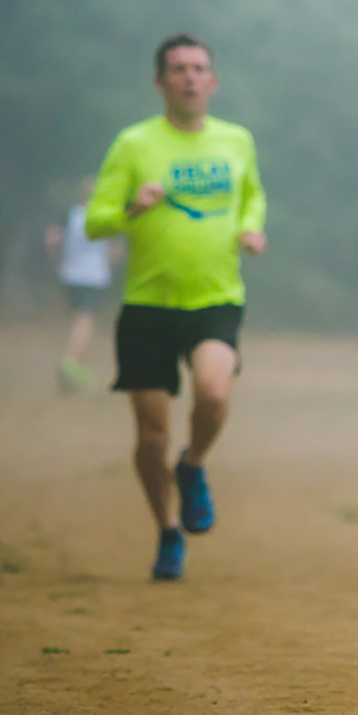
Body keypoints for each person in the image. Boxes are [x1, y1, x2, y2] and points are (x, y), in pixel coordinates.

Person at [84, 34, 267, 582]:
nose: (189, 77)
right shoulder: (134, 145)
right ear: (160, 82)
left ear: (213, 81)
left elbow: (253, 193)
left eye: (199, 68)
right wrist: (130, 208)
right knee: (150, 437)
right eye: (178, 69)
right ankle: (167, 532)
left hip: (215, 298)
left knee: (213, 392)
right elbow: (96, 220)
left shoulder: (236, 141)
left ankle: (192, 469)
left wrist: (251, 226)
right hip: (148, 307)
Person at [43, 176, 120, 392]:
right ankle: (70, 362)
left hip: (69, 275)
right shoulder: (105, 218)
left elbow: (50, 239)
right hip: (93, 277)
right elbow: (116, 249)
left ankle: (77, 371)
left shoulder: (68, 215)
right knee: (85, 321)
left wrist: (56, 263)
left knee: (77, 320)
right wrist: (107, 266)